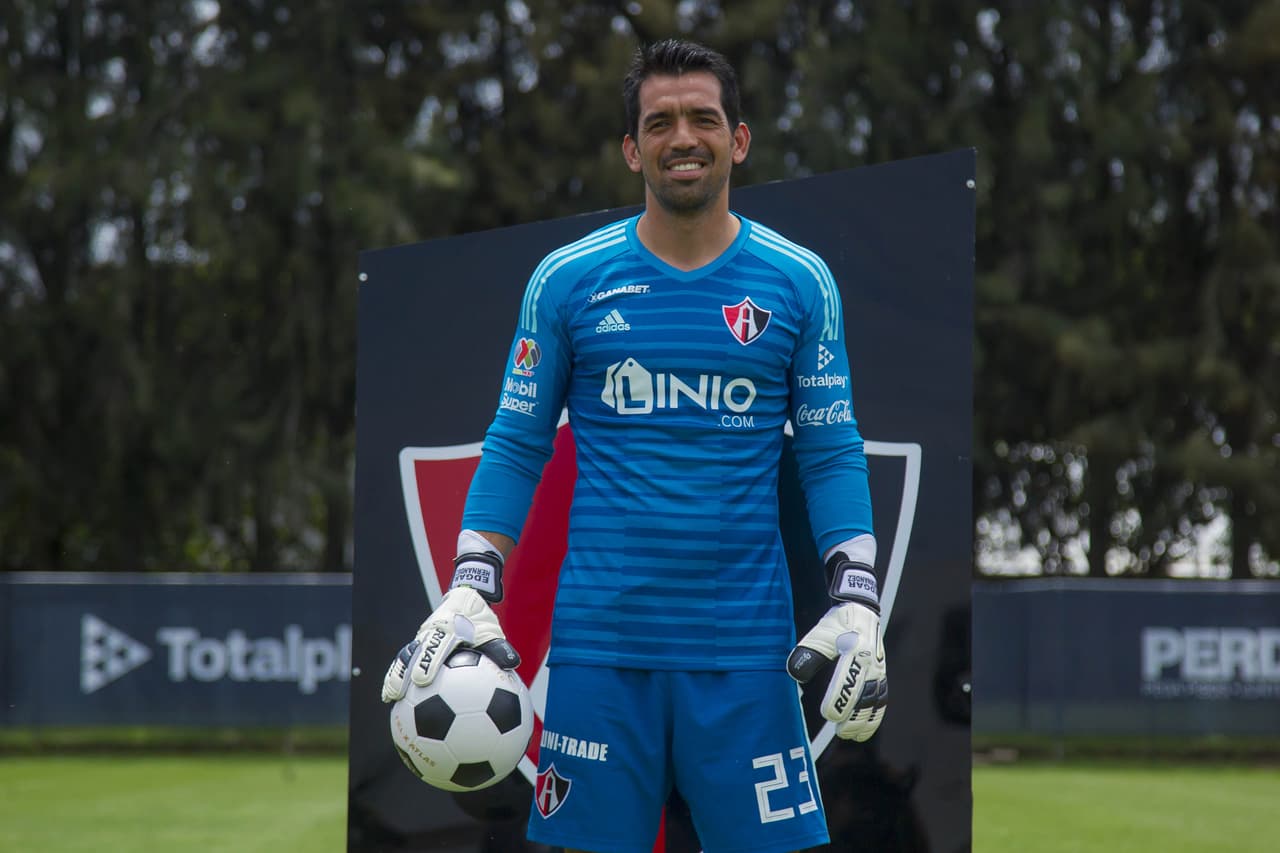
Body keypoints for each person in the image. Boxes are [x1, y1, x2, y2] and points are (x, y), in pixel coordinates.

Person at [382, 38, 887, 853]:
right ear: (631, 148)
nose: (682, 136)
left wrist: (855, 594)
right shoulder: (566, 279)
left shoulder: (799, 281)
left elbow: (830, 451)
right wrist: (473, 578)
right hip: (601, 657)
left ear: (739, 139)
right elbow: (516, 442)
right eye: (660, 122)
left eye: (703, 118)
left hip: (747, 660)